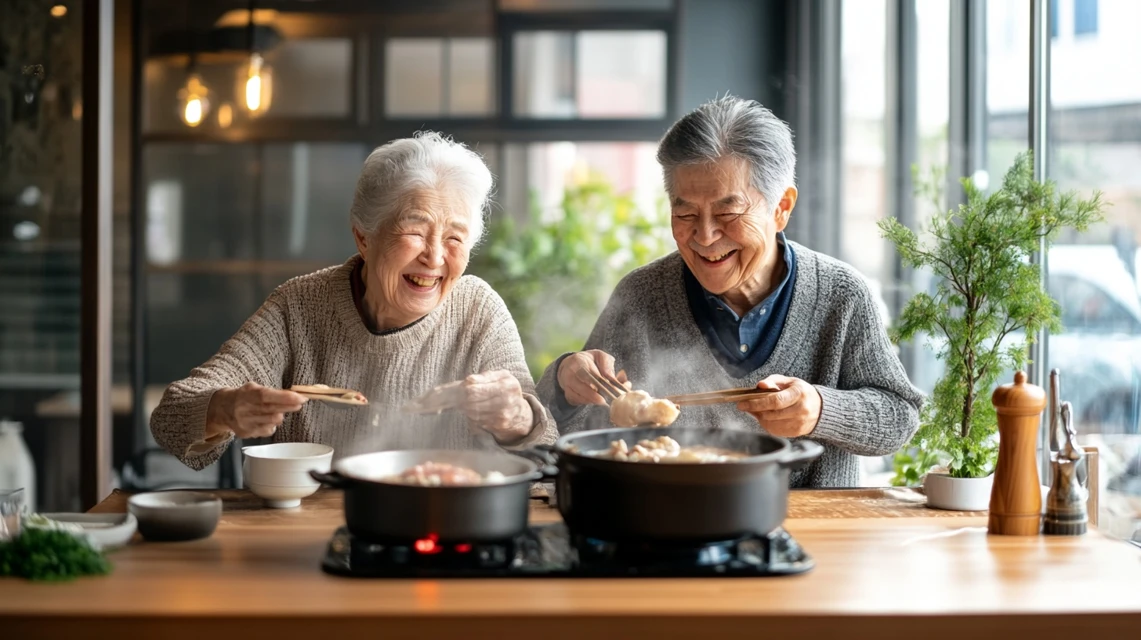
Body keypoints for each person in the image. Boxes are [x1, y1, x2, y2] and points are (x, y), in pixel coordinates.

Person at [536, 96, 924, 488]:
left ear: (781, 208)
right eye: (685, 213)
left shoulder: (841, 295)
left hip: (813, 529)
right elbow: (567, 438)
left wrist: (823, 410)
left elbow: (899, 416)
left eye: (728, 213)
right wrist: (565, 386)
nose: (704, 236)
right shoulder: (642, 295)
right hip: (670, 523)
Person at [151, 131, 557, 470]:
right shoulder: (301, 305)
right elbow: (170, 416)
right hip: (308, 534)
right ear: (364, 237)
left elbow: (547, 451)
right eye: (415, 231)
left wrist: (517, 418)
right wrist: (225, 409)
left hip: (445, 524)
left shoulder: (478, 311)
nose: (434, 257)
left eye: (454, 238)